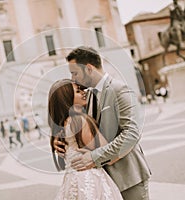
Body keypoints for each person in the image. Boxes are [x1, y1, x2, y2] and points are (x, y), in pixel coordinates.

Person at [54, 46, 151, 200]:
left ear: (89, 69)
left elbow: (131, 134)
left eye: (75, 73)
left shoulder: (119, 89)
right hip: (103, 180)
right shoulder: (90, 96)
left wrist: (94, 157)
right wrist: (62, 140)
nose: (73, 79)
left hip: (128, 177)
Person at [48, 79, 123, 199]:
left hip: (72, 181)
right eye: (78, 91)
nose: (83, 93)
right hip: (88, 178)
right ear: (67, 98)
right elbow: (105, 150)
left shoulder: (61, 127)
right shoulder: (79, 121)